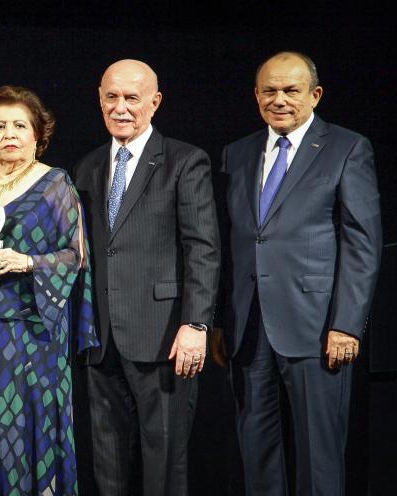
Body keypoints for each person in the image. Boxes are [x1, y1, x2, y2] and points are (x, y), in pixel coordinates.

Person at [211, 51, 381, 495]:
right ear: (256, 96)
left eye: (291, 90)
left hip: (318, 328)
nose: (279, 100)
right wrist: (220, 320)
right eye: (269, 91)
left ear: (315, 95)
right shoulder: (236, 153)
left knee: (319, 459)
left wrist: (347, 324)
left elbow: (362, 244)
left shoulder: (347, 148)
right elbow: (231, 244)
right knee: (256, 456)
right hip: (248, 328)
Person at [0, 85, 98, 495]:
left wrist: (26, 262)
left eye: (20, 125)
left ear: (37, 135)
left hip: (32, 333)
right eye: (0, 126)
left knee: (24, 429)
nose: (9, 133)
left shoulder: (55, 185)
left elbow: (75, 256)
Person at [72, 59, 220, 495]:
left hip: (164, 337)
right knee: (108, 465)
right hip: (101, 339)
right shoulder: (87, 167)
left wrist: (196, 324)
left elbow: (203, 248)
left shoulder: (184, 161)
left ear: (154, 103)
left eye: (131, 98)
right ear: (100, 99)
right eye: (111, 97)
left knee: (164, 464)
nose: (120, 107)